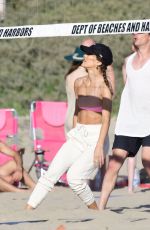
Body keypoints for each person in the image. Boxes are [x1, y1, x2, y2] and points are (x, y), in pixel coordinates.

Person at [26, 42, 113, 210]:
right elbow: (76, 111)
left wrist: (99, 147)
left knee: (74, 178)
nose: (84, 57)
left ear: (99, 62)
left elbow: (106, 120)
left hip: (96, 137)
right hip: (79, 132)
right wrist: (74, 132)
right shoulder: (79, 82)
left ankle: (95, 211)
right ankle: (29, 209)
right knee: (50, 174)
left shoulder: (104, 88)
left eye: (89, 55)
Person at [99, 33, 150, 210]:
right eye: (133, 31)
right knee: (114, 164)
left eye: (139, 31)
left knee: (147, 160)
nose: (134, 34)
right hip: (129, 121)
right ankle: (101, 208)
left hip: (149, 120)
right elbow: (130, 89)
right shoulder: (128, 61)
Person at [64, 38, 115, 190]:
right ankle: (97, 186)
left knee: (79, 157)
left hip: (70, 117)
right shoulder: (88, 77)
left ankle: (85, 188)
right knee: (97, 154)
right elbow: (111, 95)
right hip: (89, 119)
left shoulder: (70, 75)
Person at [122, 43, 138, 193]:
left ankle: (130, 187)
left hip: (135, 108)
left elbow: (126, 84)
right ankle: (131, 186)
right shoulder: (129, 61)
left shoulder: (128, 61)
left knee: (131, 152)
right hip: (136, 108)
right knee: (131, 152)